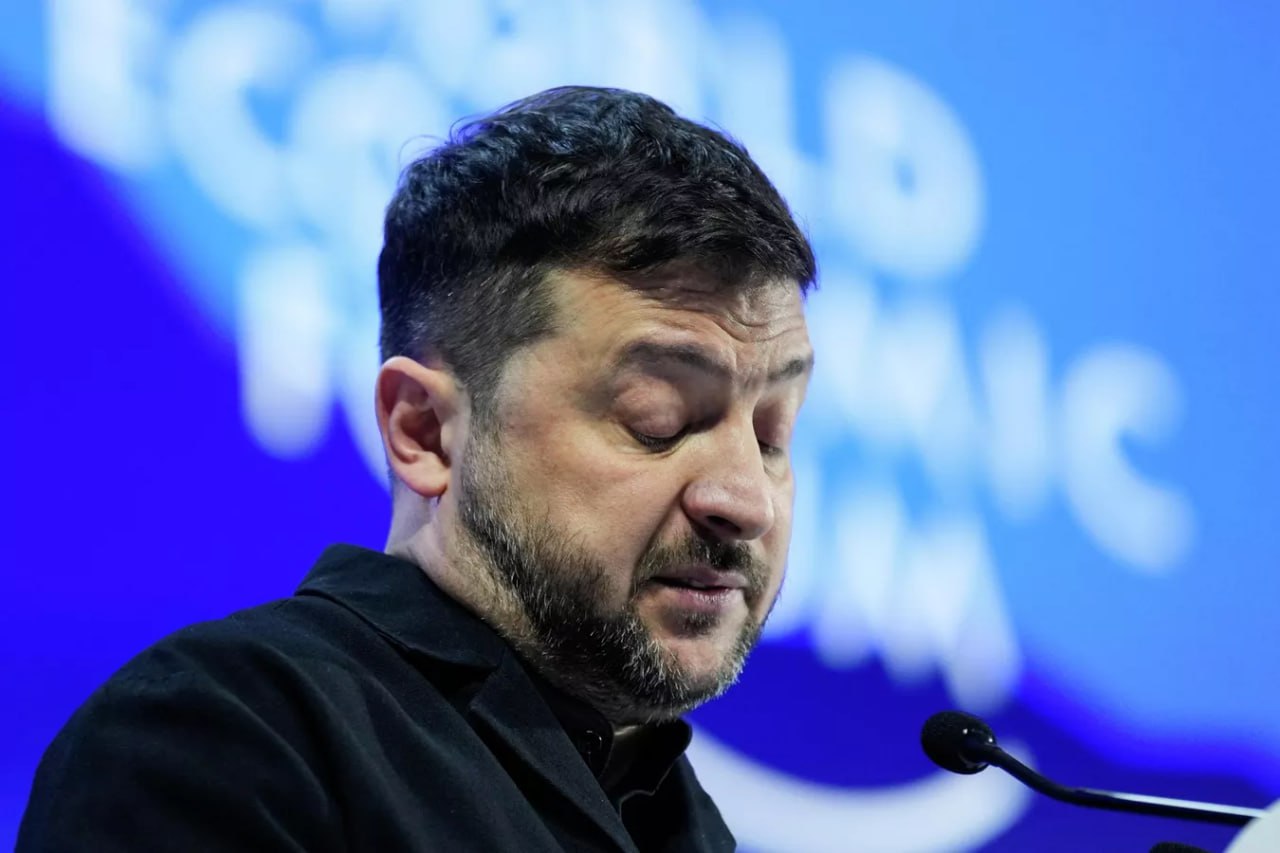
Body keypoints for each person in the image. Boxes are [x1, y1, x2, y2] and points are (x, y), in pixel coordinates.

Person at [18, 85, 817, 852]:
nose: (747, 499)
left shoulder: (678, 816)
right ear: (426, 431)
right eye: (657, 419)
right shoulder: (222, 736)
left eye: (772, 432)